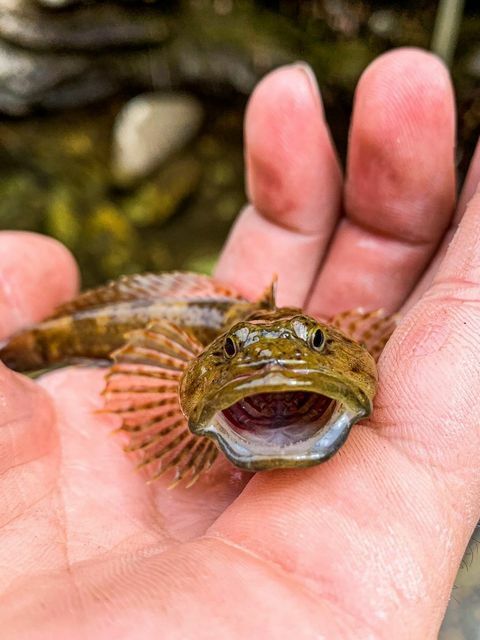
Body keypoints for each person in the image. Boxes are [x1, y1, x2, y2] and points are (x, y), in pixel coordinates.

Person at [0, 47, 478, 639]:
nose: (276, 366)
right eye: (232, 355)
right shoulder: (183, 371)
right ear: (188, 378)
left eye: (316, 344)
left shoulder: (366, 351)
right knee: (40, 341)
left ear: (360, 354)